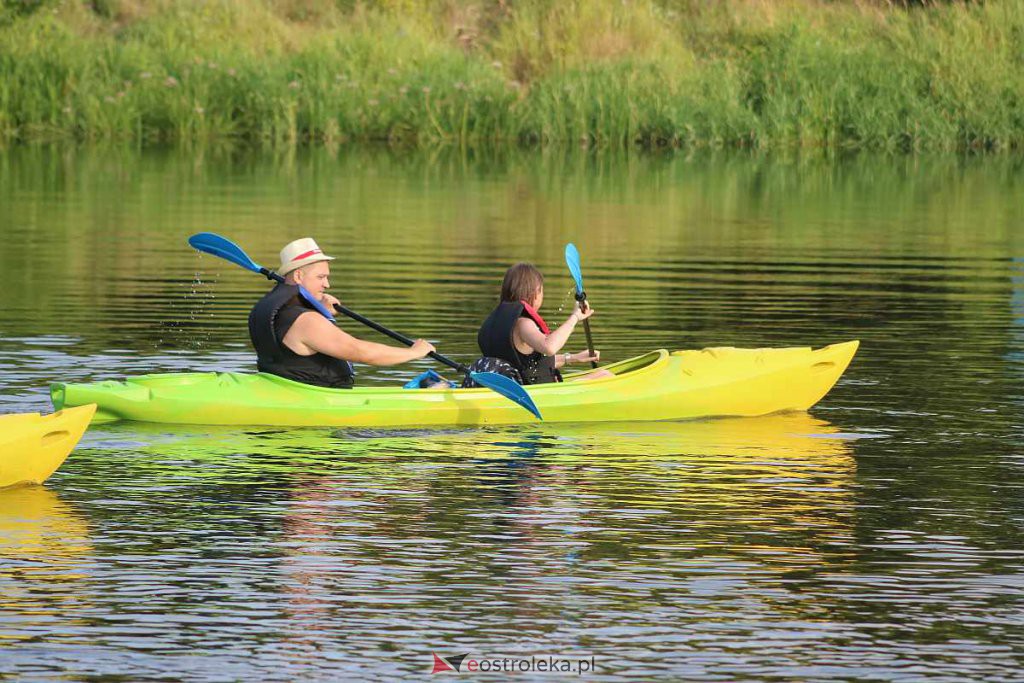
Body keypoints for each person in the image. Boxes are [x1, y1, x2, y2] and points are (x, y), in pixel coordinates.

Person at [248, 238, 435, 388]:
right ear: (298, 276)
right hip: (318, 404)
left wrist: (319, 309)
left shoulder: (273, 308)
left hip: (288, 390)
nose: (327, 285)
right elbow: (362, 352)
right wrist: (413, 353)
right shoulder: (307, 321)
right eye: (321, 277)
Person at [471, 262, 610, 386]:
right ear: (534, 292)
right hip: (536, 395)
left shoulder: (497, 320)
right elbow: (549, 347)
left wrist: (573, 358)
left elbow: (531, 365)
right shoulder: (523, 323)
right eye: (541, 290)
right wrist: (575, 317)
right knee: (606, 376)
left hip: (520, 389)